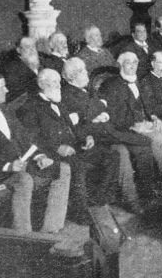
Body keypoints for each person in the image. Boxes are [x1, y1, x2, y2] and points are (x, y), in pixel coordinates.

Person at [0, 72, 70, 234]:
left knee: (62, 169)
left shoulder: (5, 109)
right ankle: (24, 236)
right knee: (23, 180)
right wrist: (8, 166)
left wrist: (39, 156)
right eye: (2, 87)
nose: (7, 90)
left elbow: (23, 137)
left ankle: (51, 230)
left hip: (19, 164)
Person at [60, 57, 155, 214]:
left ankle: (147, 194)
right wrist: (98, 112)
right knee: (126, 150)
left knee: (144, 145)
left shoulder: (84, 90)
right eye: (83, 71)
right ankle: (131, 201)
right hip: (94, 137)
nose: (87, 74)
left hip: (106, 130)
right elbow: (85, 116)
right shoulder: (68, 95)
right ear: (72, 76)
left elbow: (100, 109)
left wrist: (99, 112)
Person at [17, 68, 106, 223]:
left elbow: (73, 126)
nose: (59, 86)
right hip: (52, 152)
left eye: (59, 81)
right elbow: (32, 138)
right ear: (42, 84)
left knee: (111, 157)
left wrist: (86, 137)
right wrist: (57, 148)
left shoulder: (59, 102)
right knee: (77, 166)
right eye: (54, 82)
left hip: (74, 146)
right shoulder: (30, 107)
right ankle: (80, 212)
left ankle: (97, 202)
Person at [102, 51, 162, 180]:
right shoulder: (112, 85)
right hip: (130, 127)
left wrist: (154, 118)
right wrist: (135, 125)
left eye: (135, 62)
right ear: (120, 65)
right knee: (157, 138)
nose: (132, 66)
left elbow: (148, 105)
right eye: (128, 63)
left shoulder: (138, 82)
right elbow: (115, 116)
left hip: (148, 122)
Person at [3, 36, 42, 103]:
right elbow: (15, 95)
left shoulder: (42, 64)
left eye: (33, 46)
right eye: (27, 47)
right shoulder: (11, 69)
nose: (32, 50)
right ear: (19, 50)